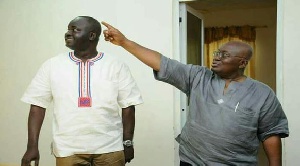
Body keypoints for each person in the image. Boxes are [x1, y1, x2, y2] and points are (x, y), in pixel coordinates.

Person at [101, 21, 289, 166]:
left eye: (224, 55)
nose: (216, 57)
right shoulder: (199, 76)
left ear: (242, 63)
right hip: (191, 161)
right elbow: (161, 62)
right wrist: (124, 42)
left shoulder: (263, 93)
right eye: (217, 52)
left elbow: (271, 134)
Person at [21, 16, 143, 166]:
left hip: (110, 148)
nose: (68, 33)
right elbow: (37, 106)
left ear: (92, 35)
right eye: (68, 29)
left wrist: (128, 142)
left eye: (75, 30)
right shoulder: (52, 66)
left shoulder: (115, 65)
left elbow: (128, 106)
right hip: (68, 150)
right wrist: (31, 146)